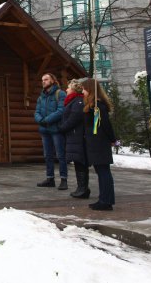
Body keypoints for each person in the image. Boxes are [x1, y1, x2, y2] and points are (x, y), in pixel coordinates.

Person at [81, 78, 117, 211]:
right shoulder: (91, 105)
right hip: (95, 142)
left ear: (90, 89)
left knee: (103, 172)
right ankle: (104, 199)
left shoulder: (97, 106)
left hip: (99, 143)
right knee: (101, 171)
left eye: (84, 89)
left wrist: (112, 139)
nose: (83, 92)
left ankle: (106, 200)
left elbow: (105, 125)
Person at [34, 73, 67, 190]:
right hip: (44, 130)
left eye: (46, 79)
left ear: (53, 80)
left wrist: (46, 120)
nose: (43, 81)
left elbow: (61, 110)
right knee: (47, 155)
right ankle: (50, 179)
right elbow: (36, 112)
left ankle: (63, 180)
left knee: (60, 155)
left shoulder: (60, 94)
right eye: (42, 80)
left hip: (56, 130)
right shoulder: (41, 97)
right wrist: (41, 120)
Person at [58, 79, 90, 198]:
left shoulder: (78, 102)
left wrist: (62, 127)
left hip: (77, 137)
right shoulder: (73, 101)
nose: (66, 89)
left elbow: (74, 118)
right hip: (74, 137)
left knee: (80, 162)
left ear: (74, 89)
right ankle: (81, 188)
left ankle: (83, 188)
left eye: (68, 88)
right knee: (78, 162)